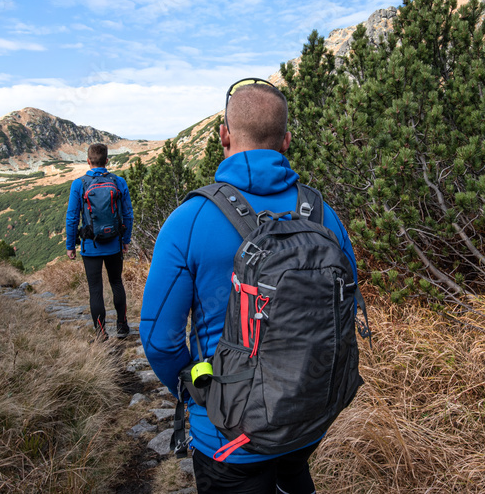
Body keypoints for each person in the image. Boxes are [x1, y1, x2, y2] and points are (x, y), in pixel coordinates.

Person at [139, 78, 359, 493]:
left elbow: (159, 339)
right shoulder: (322, 214)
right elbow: (345, 307)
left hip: (229, 436)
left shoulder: (190, 220)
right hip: (308, 422)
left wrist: (198, 396)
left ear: (224, 134)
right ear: (286, 140)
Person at [66, 143, 134, 341]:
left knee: (95, 288)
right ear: (107, 161)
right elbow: (128, 214)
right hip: (114, 244)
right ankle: (122, 326)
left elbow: (72, 217)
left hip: (90, 247)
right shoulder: (118, 182)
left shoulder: (79, 184)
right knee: (116, 283)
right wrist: (126, 239)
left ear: (88, 161)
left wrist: (71, 245)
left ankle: (101, 333)